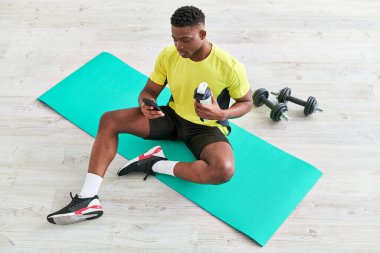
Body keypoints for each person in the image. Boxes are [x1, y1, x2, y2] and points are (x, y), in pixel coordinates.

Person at [47, 5, 253, 225]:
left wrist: (221, 112)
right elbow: (149, 91)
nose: (178, 46)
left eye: (185, 39)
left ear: (202, 34)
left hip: (207, 127)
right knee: (109, 119)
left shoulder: (229, 66)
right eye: (174, 38)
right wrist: (145, 105)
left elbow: (247, 102)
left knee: (223, 170)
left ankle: (155, 164)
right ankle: (88, 198)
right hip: (172, 117)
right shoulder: (169, 55)